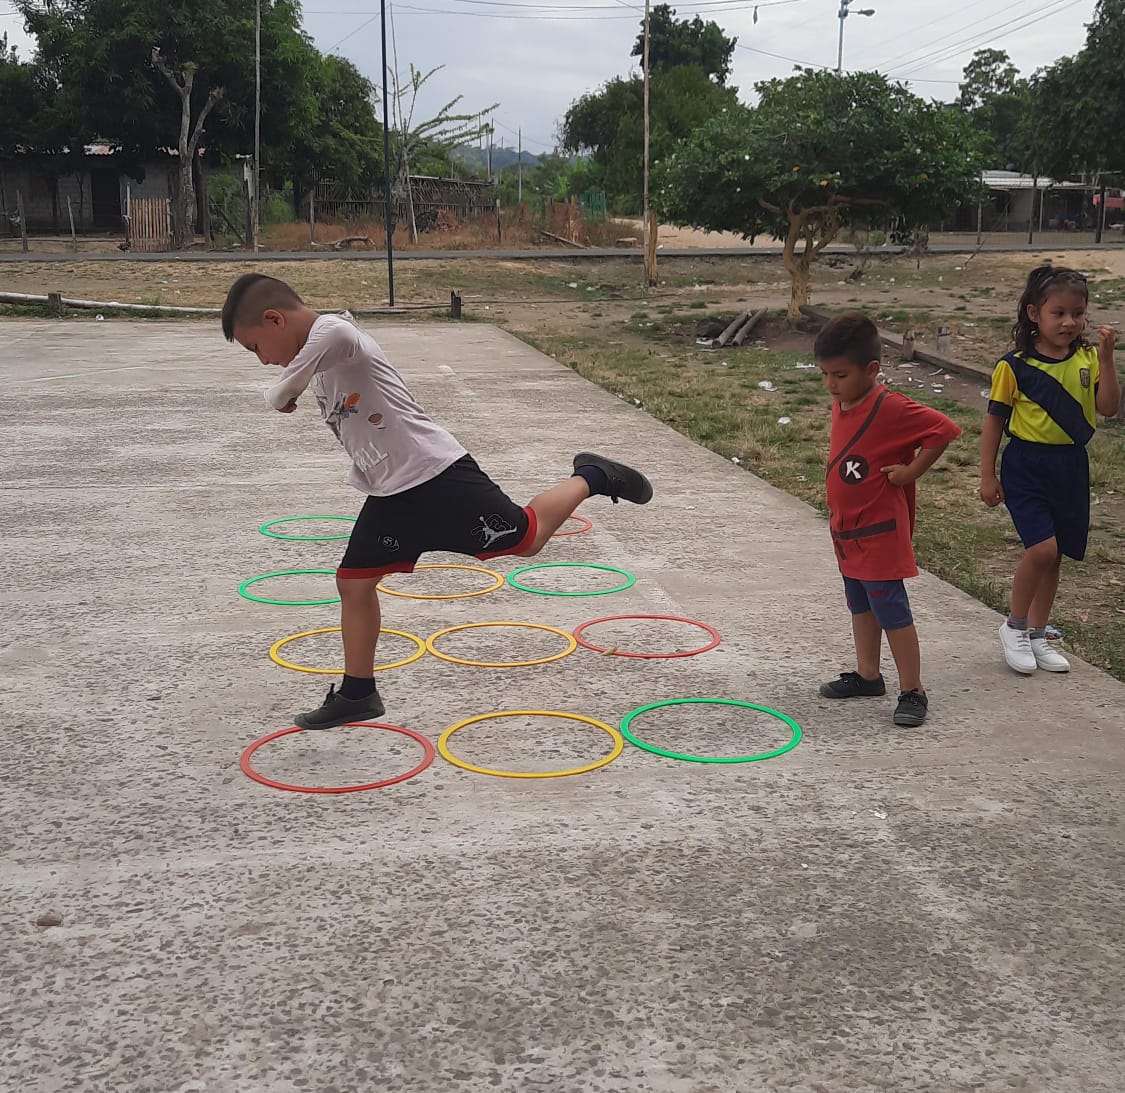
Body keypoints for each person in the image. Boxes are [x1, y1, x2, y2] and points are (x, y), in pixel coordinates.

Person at [221, 273, 654, 729]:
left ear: (275, 319)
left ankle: (593, 476)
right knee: (354, 581)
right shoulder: (320, 361)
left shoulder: (334, 332)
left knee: (526, 538)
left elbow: (326, 349)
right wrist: (294, 382)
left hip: (437, 476)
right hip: (389, 491)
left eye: (256, 347)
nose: (264, 360)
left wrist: (282, 390)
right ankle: (358, 693)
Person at [815, 312, 962, 727]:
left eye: (840, 375)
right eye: (824, 374)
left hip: (879, 534)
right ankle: (868, 676)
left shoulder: (892, 408)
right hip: (846, 531)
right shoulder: (842, 402)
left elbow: (944, 430)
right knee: (860, 605)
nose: (830, 384)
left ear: (872, 369)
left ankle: (913, 690)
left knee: (891, 611)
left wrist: (911, 471)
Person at [980, 265, 1120, 675]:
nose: (1069, 322)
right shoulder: (1015, 366)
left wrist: (1108, 359)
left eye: (1077, 313)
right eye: (1058, 313)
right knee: (1041, 549)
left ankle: (1038, 634)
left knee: (1055, 556)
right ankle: (1014, 626)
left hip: (1071, 466)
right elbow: (993, 422)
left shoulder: (1088, 358)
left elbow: (1109, 407)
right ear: (1033, 314)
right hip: (1026, 465)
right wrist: (987, 475)